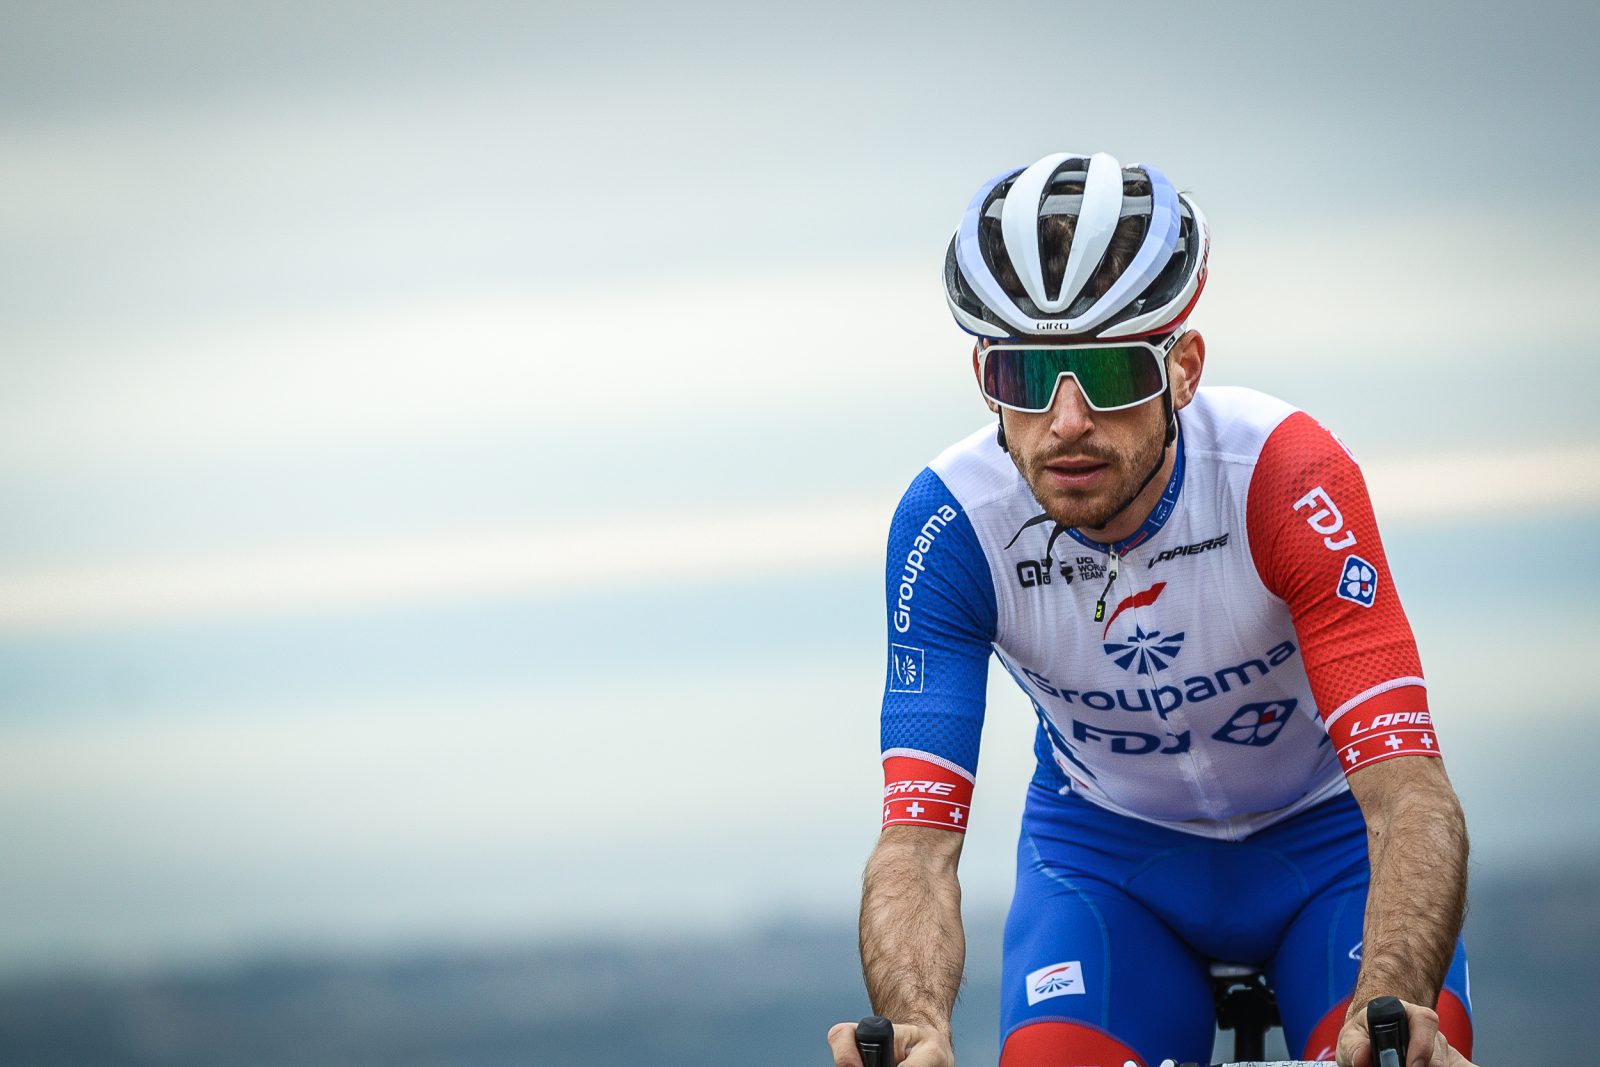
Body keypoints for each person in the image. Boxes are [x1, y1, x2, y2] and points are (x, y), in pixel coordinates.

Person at [824, 152, 1478, 1067]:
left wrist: (1394, 994)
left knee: (1396, 1051)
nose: (1068, 419)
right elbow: (919, 842)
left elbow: (1410, 791)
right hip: (1108, 863)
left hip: (1333, 842)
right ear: (984, 378)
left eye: (1108, 369)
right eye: (1028, 375)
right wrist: (918, 1022)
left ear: (1184, 369)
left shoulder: (1283, 477)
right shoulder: (951, 527)